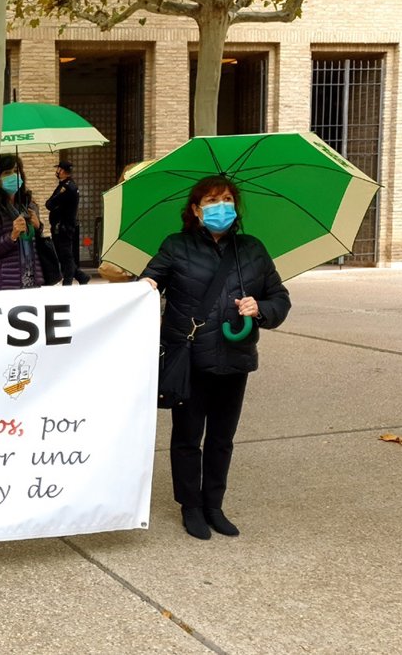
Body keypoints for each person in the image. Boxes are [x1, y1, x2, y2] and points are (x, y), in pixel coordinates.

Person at [140, 175, 291, 541]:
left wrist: (261, 307)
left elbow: (280, 298)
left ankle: (214, 505)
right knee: (188, 437)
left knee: (222, 438)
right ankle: (190, 506)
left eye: (226, 199)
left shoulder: (252, 249)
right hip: (189, 360)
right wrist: (144, 286)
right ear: (196, 210)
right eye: (211, 201)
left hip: (235, 359)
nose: (220, 207)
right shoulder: (176, 246)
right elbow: (150, 281)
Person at [0, 154, 44, 290]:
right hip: (6, 282)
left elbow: (37, 242)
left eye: (16, 171)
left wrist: (38, 227)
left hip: (32, 280)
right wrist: (12, 236)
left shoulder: (28, 205)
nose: (13, 176)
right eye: (7, 173)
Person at [45, 160, 91, 285]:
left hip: (63, 228)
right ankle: (81, 277)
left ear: (63, 171)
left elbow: (49, 204)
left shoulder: (67, 188)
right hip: (61, 227)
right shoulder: (66, 185)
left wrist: (51, 204)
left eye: (59, 169)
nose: (57, 171)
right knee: (63, 256)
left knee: (66, 257)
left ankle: (68, 282)